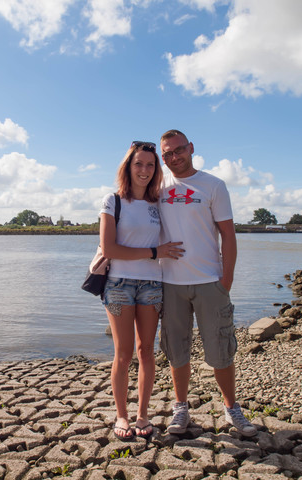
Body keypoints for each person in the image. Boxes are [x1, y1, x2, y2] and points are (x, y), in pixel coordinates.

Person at [157, 129, 257, 437]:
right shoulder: (157, 186)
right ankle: (181, 409)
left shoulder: (214, 185)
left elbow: (228, 234)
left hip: (210, 281)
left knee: (221, 350)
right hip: (170, 283)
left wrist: (225, 280)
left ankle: (232, 409)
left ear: (191, 148)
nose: (175, 157)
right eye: (168, 154)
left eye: (179, 150)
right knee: (177, 349)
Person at [100, 141, 184, 440]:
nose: (145, 170)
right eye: (139, 164)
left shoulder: (158, 203)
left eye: (150, 165)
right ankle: (121, 416)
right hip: (120, 284)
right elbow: (109, 248)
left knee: (146, 351)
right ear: (128, 167)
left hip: (152, 285)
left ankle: (142, 414)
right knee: (122, 354)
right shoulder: (113, 201)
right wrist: (153, 251)